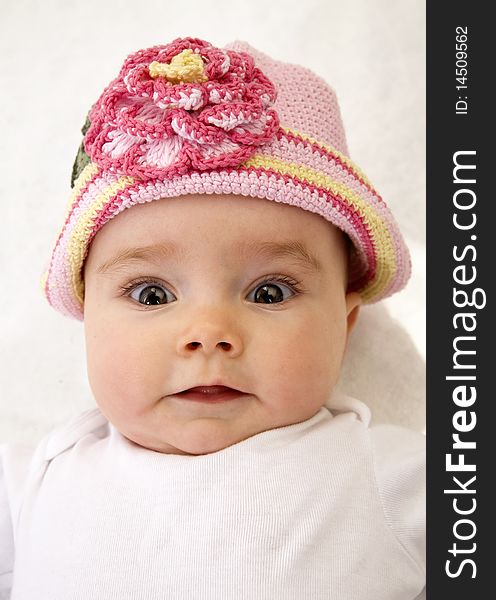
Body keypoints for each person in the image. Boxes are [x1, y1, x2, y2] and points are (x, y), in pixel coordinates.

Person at [0, 37, 425, 599]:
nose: (209, 335)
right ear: (87, 320)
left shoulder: (390, 473)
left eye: (270, 292)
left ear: (344, 327)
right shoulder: (34, 480)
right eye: (151, 295)